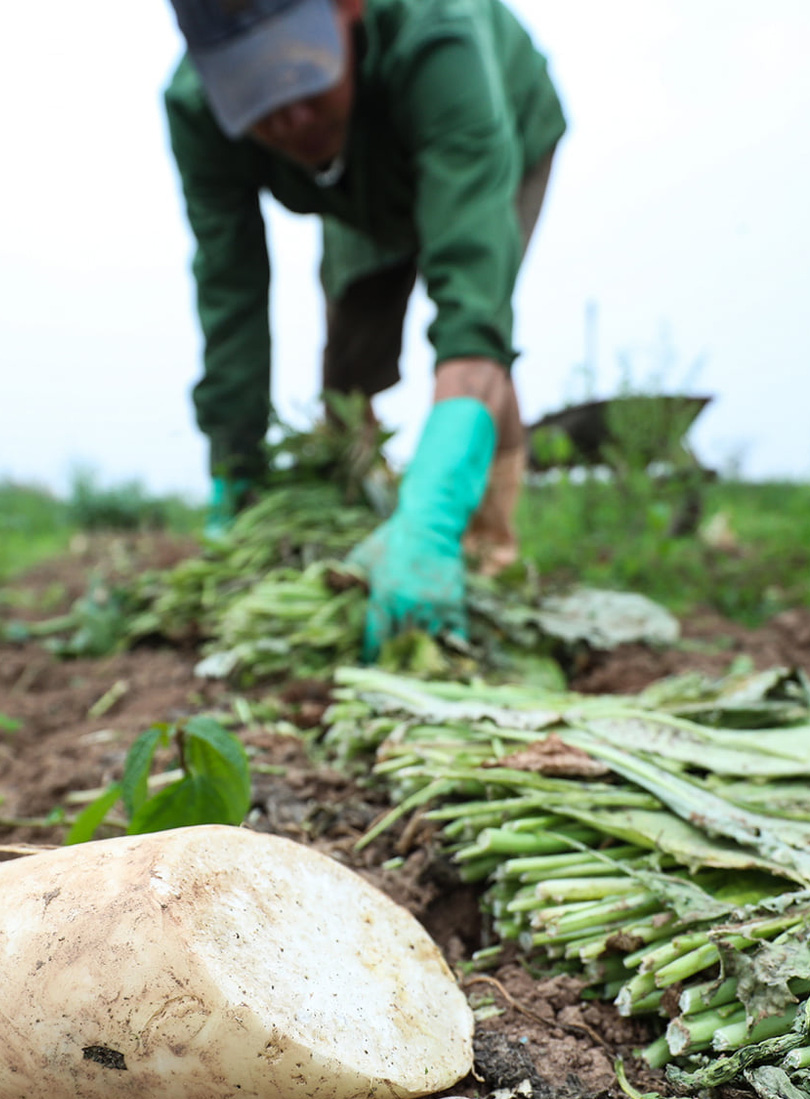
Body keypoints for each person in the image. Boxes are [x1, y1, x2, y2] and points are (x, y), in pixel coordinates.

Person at [163, 0, 564, 657]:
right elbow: (230, 291)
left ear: (347, 9)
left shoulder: (439, 41)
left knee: (478, 334)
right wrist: (233, 467)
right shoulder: (197, 111)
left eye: (301, 77)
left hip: (493, 132)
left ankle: (480, 550)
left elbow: (472, 315)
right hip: (355, 189)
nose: (289, 118)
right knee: (348, 365)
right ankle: (362, 525)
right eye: (253, 97)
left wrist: (430, 516)